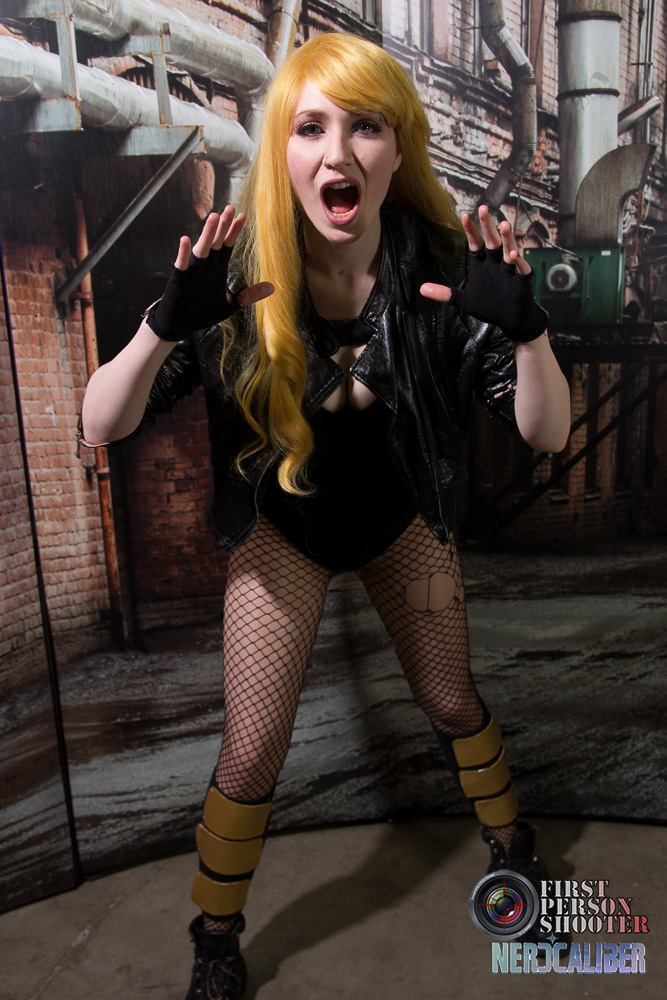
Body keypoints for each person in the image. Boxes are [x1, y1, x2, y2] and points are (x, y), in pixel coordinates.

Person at [80, 31, 570, 1000]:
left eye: (365, 127)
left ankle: (513, 844)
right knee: (252, 748)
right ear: (281, 149)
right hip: (284, 532)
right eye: (309, 127)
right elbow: (101, 423)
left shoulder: (441, 269)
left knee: (450, 701)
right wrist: (161, 326)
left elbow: (545, 432)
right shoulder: (235, 274)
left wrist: (528, 333)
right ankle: (215, 935)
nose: (337, 152)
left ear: (399, 147)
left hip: (401, 520)